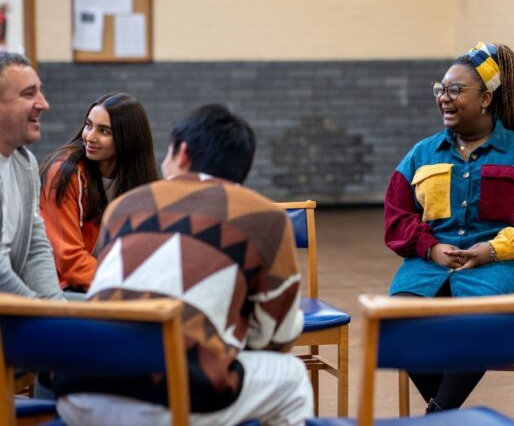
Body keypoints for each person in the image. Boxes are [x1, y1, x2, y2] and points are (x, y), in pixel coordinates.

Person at [54, 104, 313, 425]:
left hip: (77, 389)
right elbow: (277, 335)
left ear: (183, 153)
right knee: (292, 377)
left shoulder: (123, 206)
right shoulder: (265, 216)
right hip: (171, 395)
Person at [384, 42, 514, 411]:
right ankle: (443, 415)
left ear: (485, 98)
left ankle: (437, 416)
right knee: (395, 320)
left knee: (480, 323)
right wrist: (431, 248)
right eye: (441, 89)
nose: (444, 98)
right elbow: (397, 215)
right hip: (432, 267)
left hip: (504, 268)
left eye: (455, 90)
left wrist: (493, 250)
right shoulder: (421, 154)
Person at [40, 93, 159, 293]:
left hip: (108, 283)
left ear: (127, 139)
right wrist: (127, 287)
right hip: (67, 288)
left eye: (104, 131)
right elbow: (69, 260)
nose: (90, 137)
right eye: (88, 125)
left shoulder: (140, 182)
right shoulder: (64, 174)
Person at [0, 51, 63, 299]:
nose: (43, 104)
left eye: (40, 92)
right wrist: (43, 313)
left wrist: (56, 306)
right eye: (29, 94)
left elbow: (35, 248)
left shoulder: (24, 163)